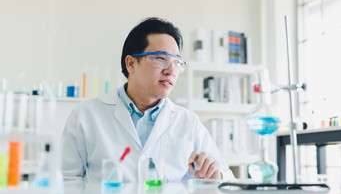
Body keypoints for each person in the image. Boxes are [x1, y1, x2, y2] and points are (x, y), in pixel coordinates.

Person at [62, 17, 235, 183]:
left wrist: (214, 174)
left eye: (177, 62)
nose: (171, 71)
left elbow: (226, 179)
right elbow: (66, 180)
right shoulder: (86, 115)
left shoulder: (189, 122)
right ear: (130, 64)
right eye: (161, 58)